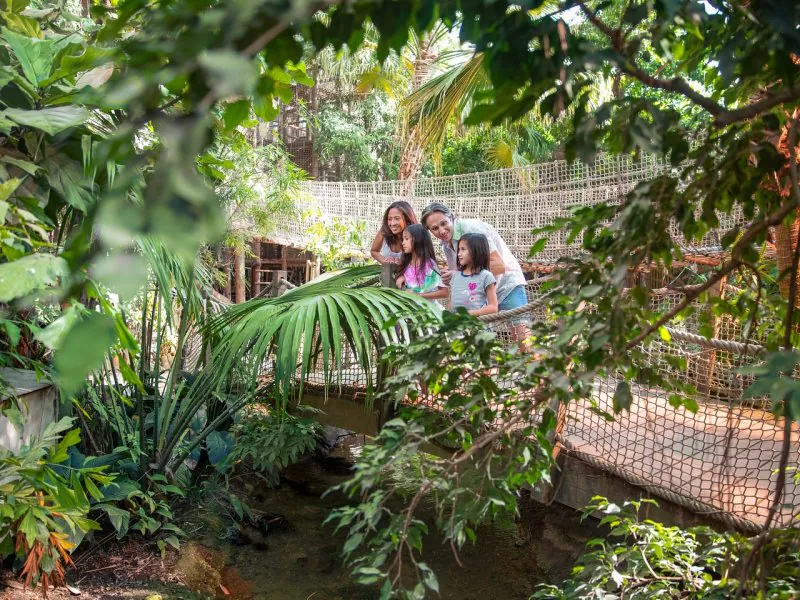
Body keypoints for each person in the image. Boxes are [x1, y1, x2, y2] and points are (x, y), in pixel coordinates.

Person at [421, 202, 530, 345]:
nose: (441, 230)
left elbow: (498, 265)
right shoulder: (447, 245)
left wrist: (459, 275)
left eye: (444, 223)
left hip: (506, 286)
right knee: (482, 347)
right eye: (435, 228)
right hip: (480, 297)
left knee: (524, 341)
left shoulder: (471, 229)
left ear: (451, 217)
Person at [449, 233, 498, 316]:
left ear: (476, 251)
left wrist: (471, 314)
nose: (459, 254)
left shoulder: (486, 276)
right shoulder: (455, 276)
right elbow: (451, 303)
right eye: (459, 249)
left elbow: (493, 307)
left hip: (476, 325)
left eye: (463, 249)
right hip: (457, 325)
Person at [396, 224, 448, 301]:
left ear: (418, 239)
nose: (403, 243)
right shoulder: (406, 264)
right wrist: (402, 276)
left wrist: (418, 295)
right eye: (403, 239)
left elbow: (444, 292)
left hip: (428, 310)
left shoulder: (430, 265)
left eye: (406, 239)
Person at [370, 201, 417, 265]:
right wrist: (384, 261)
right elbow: (374, 251)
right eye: (389, 219)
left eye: (397, 219)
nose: (392, 223)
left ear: (407, 219)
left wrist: (402, 264)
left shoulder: (416, 235)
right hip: (387, 273)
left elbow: (422, 261)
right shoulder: (384, 231)